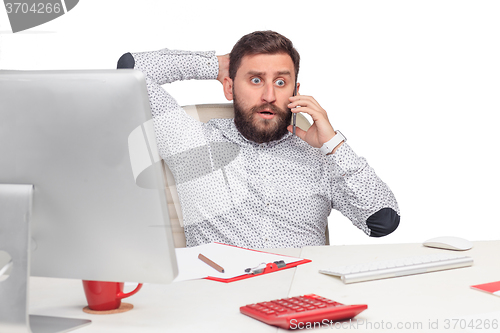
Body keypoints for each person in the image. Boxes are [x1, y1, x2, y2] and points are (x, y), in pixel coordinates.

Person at [117, 30, 400, 248]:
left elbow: (383, 221)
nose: (268, 95)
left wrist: (334, 145)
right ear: (229, 86)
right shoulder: (189, 139)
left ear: (295, 90)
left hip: (302, 303)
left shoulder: (322, 157)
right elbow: (131, 69)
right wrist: (219, 65)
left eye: (280, 82)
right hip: (221, 307)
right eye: (255, 80)